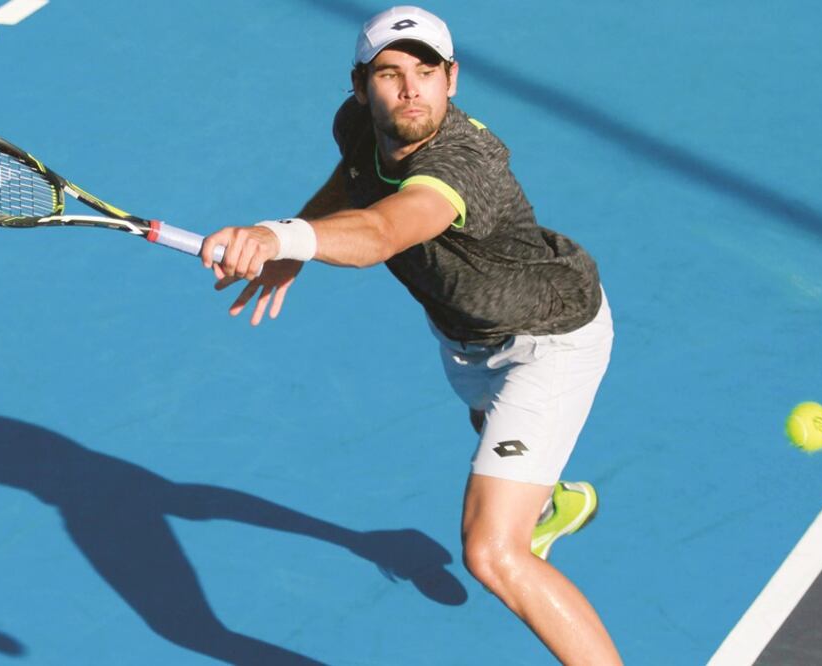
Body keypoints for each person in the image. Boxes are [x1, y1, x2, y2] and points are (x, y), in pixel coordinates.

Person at [200, 6, 621, 663]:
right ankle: (549, 503)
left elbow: (381, 233)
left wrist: (280, 236)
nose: (409, 89)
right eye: (390, 73)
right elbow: (352, 181)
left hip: (548, 339)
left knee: (490, 552)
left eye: (426, 72)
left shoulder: (464, 161)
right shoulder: (358, 126)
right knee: (490, 426)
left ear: (451, 80)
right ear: (359, 85)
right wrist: (299, 238)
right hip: (465, 331)